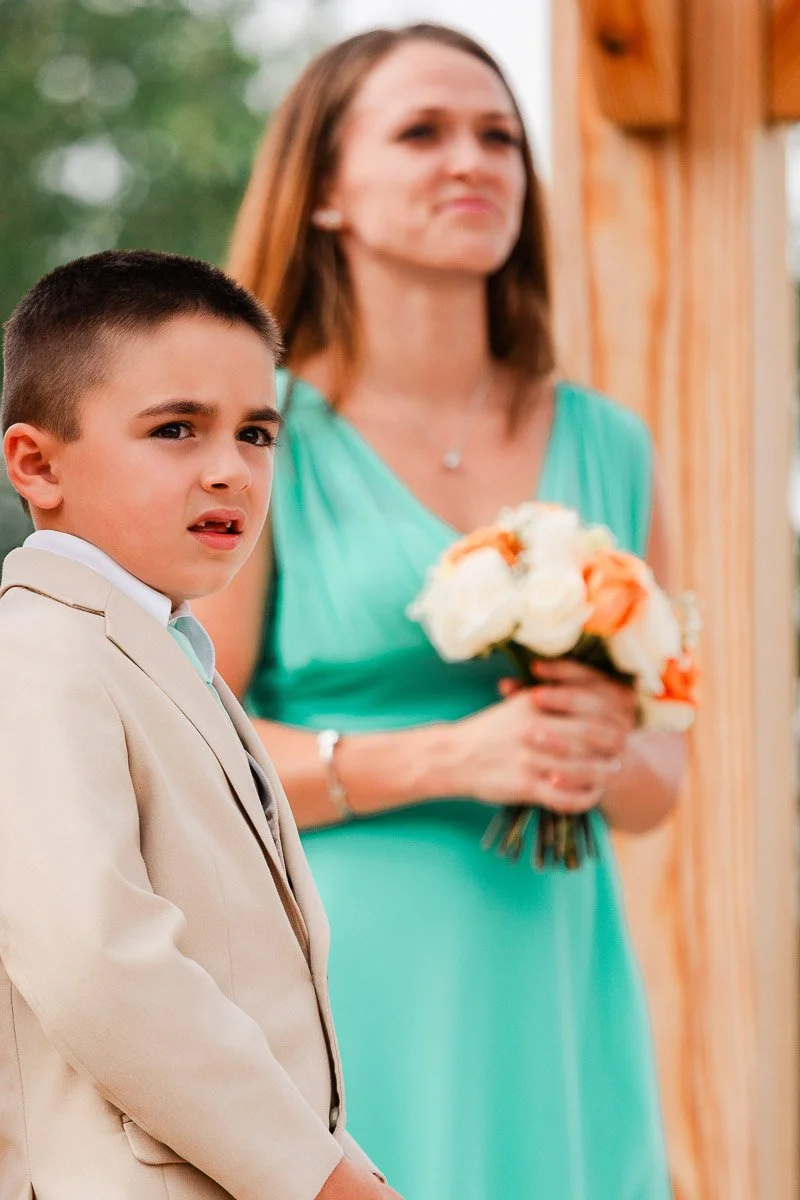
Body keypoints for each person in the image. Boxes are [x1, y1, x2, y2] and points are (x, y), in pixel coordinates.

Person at [194, 24, 686, 1200]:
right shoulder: (254, 439)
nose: (472, 161)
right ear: (324, 193)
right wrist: (444, 757)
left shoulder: (609, 443)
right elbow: (186, 752)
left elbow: (659, 784)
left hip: (555, 985)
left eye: (498, 137)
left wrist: (594, 742)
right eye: (421, 132)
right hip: (340, 982)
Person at [0, 249, 399, 1200]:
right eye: (176, 429)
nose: (230, 471)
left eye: (256, 434)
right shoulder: (40, 655)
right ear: (38, 464)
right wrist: (322, 1181)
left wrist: (341, 1160)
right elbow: (101, 966)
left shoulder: (169, 651)